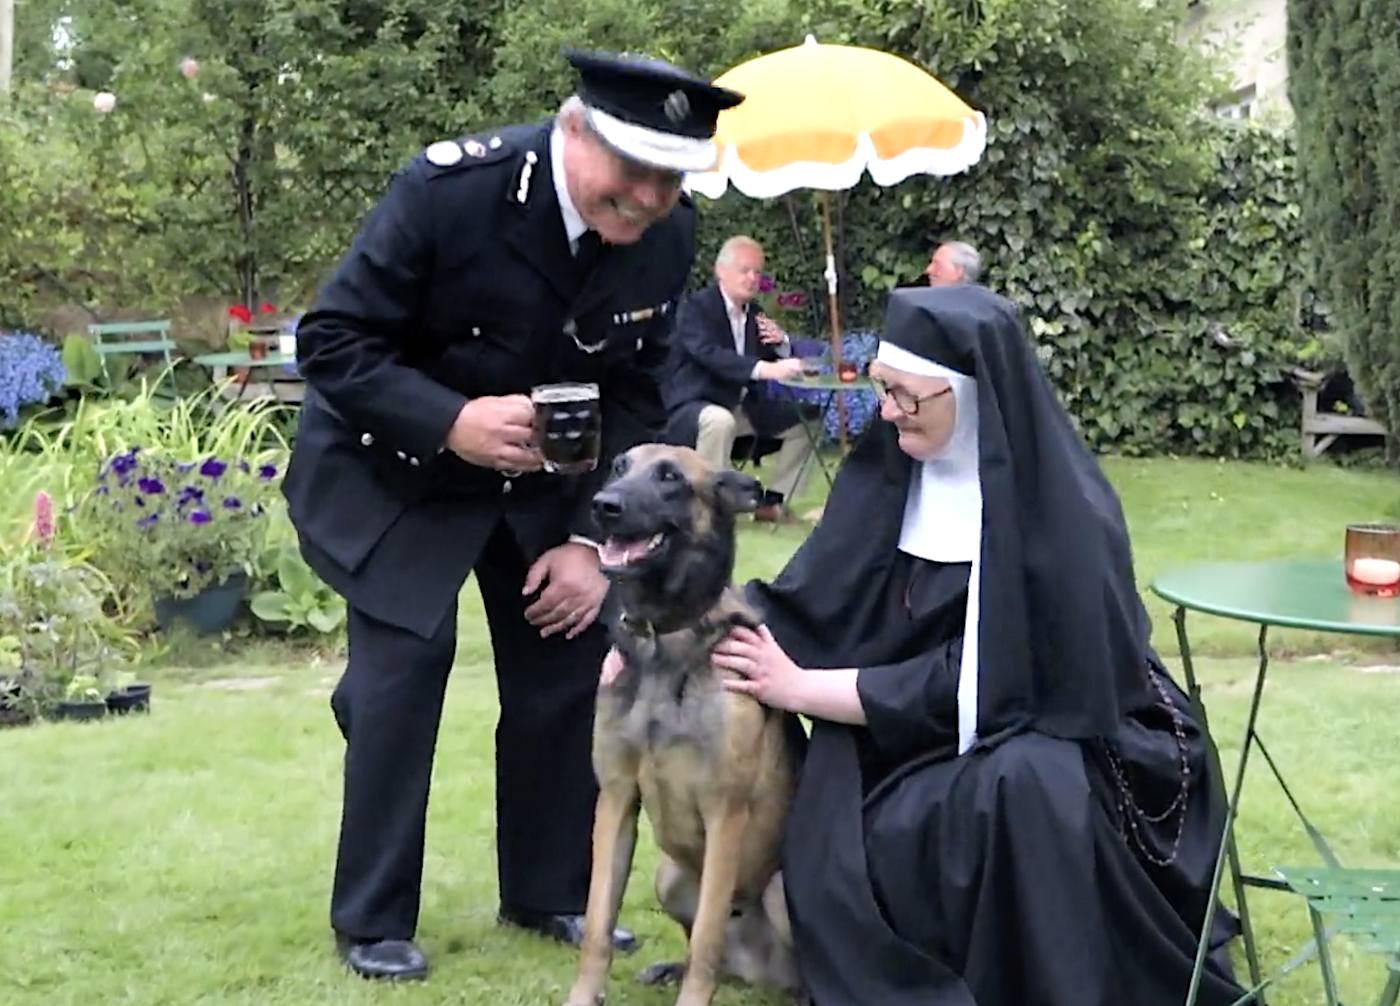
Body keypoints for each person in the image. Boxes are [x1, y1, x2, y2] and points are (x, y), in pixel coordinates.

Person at [280, 47, 744, 982]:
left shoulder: (667, 232)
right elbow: (330, 342)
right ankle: (373, 917)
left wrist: (588, 540)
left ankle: (546, 891)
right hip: (396, 467)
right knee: (405, 672)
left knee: (562, 664)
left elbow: (639, 388)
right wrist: (450, 421)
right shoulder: (450, 192)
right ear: (574, 131)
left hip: (545, 484)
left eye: (670, 177)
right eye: (632, 171)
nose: (650, 197)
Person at [708, 284, 1246, 1005]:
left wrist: (802, 690)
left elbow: (1001, 681)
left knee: (1030, 786)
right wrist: (676, 633)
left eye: (909, 397)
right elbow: (807, 597)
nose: (890, 411)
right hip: (908, 746)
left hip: (1075, 726)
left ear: (973, 394)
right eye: (884, 390)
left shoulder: (1066, 514)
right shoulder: (889, 472)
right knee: (905, 822)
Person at [662, 235, 816, 522]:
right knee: (719, 420)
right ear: (721, 271)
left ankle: (771, 503)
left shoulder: (754, 314)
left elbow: (771, 357)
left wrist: (782, 343)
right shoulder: (694, 307)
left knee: (809, 420)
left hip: (744, 408)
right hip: (694, 406)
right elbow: (708, 354)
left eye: (758, 272)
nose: (752, 279)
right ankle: (709, 510)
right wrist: (766, 370)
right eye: (745, 270)